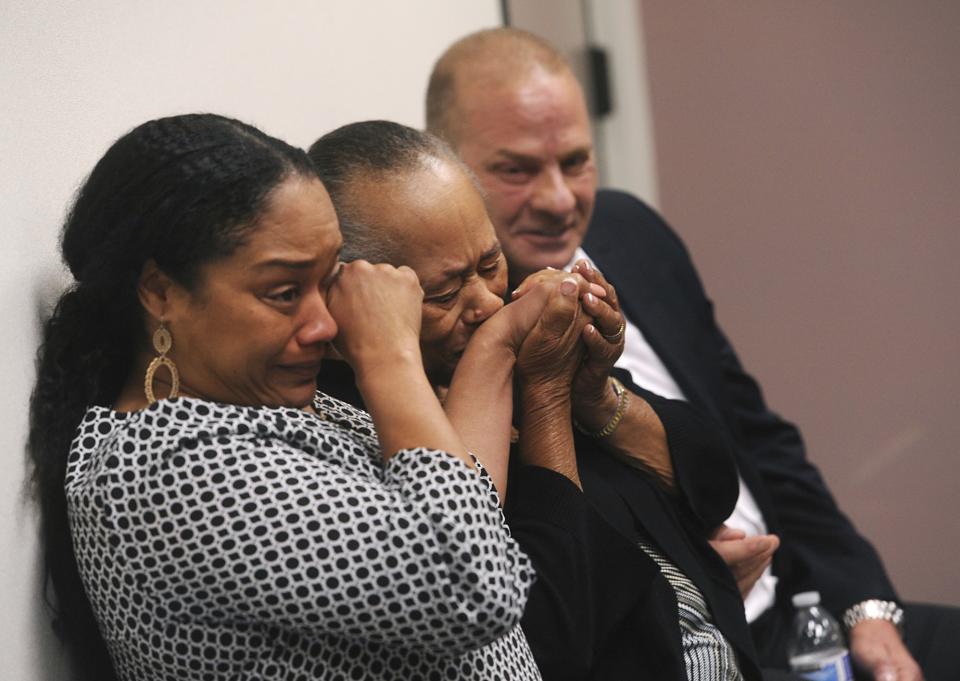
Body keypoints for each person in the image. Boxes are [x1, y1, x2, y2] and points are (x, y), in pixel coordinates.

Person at [425, 27, 960, 680]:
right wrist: (691, 578)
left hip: (803, 608)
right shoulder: (454, 339)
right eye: (516, 169)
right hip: (690, 647)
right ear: (448, 171)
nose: (560, 200)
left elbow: (761, 440)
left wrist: (866, 606)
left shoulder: (631, 233)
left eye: (575, 161)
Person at [27, 113, 544, 681]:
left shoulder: (263, 406)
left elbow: (461, 507)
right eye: (283, 292)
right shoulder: (162, 468)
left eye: (327, 281)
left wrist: (501, 340)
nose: (325, 324)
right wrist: (388, 356)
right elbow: (474, 586)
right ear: (160, 291)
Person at [308, 120, 768, 681]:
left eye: (489, 264)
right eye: (444, 293)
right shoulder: (358, 424)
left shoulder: (517, 326)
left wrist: (594, 394)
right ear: (357, 297)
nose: (482, 303)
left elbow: (714, 485)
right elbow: (545, 637)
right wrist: (543, 394)